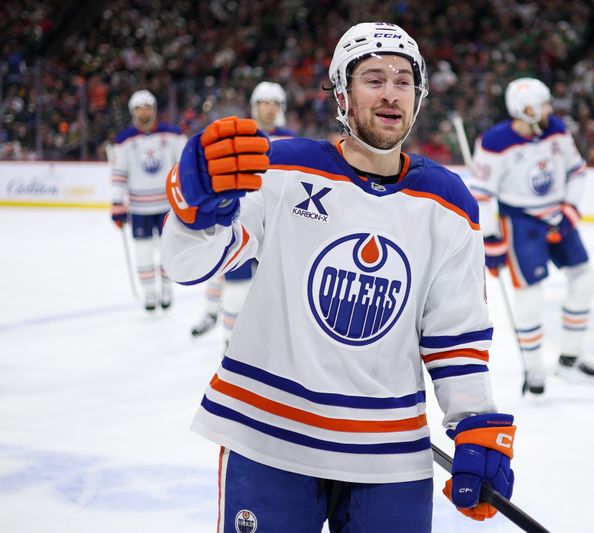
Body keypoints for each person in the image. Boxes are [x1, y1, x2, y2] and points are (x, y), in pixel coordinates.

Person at [161, 22, 516, 532]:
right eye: (373, 78)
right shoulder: (280, 168)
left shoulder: (448, 202)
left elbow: (455, 336)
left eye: (404, 79)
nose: (392, 91)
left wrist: (474, 423)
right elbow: (189, 264)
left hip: (389, 454)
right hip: (270, 437)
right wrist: (198, 208)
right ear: (341, 94)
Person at [471, 77, 594, 396]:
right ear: (527, 109)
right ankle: (534, 369)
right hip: (521, 221)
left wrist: (570, 209)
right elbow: (483, 193)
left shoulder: (556, 128)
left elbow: (576, 170)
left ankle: (570, 357)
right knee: (529, 293)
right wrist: (491, 238)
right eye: (543, 104)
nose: (549, 109)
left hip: (557, 215)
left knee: (584, 279)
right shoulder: (496, 142)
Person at [190, 81, 297, 347]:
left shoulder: (294, 142)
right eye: (264, 102)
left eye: (274, 103)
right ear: (254, 105)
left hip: (274, 223)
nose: (269, 109)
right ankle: (226, 334)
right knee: (228, 273)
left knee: (266, 285)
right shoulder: (240, 136)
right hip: (238, 216)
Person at [111, 90, 186, 311]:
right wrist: (117, 203)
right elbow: (119, 173)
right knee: (143, 253)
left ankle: (166, 289)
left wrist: (187, 197)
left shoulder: (173, 135)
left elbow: (184, 167)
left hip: (167, 206)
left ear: (154, 109)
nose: (144, 112)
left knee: (167, 251)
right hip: (139, 207)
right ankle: (149, 294)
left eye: (148, 107)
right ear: (133, 112)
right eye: (139, 108)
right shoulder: (124, 140)